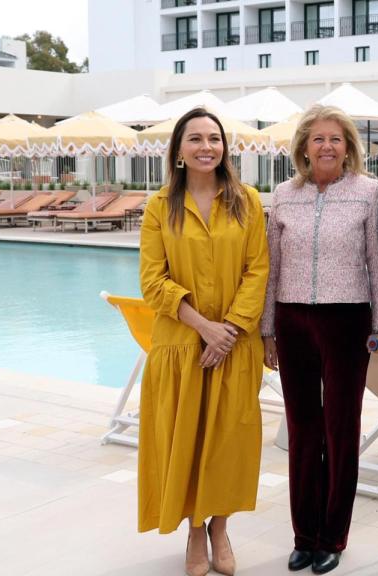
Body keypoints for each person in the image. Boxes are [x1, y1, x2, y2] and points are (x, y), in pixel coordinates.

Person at [138, 107, 269, 576]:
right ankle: (195, 530)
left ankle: (220, 526)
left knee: (228, 442)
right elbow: (153, 282)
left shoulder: (248, 201)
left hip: (236, 346)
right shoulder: (158, 207)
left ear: (224, 148)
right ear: (178, 150)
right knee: (187, 441)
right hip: (182, 348)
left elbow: (258, 270)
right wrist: (204, 327)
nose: (206, 146)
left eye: (213, 138)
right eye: (195, 139)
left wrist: (228, 329)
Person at [262, 104, 378, 575]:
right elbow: (272, 266)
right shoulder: (283, 195)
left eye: (336, 139)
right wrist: (267, 329)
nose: (327, 146)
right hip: (293, 318)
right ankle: (304, 535)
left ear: (349, 147)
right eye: (318, 138)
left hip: (347, 320)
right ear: (303, 147)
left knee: (340, 431)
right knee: (302, 430)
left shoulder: (367, 192)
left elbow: (377, 263)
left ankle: (333, 536)